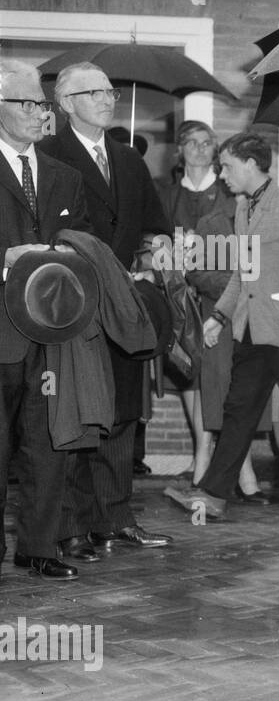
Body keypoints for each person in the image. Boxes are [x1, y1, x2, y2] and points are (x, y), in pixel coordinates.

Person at [40, 61, 172, 559]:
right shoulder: (49, 155)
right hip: (73, 307)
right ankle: (71, 526)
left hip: (124, 306)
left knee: (121, 415)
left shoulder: (129, 158)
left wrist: (159, 246)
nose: (107, 97)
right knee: (77, 413)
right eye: (92, 91)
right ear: (66, 103)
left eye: (110, 90)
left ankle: (114, 520)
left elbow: (156, 224)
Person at [164, 132, 279, 519]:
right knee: (238, 411)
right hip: (251, 332)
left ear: (251, 165)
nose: (222, 174)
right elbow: (243, 275)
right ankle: (213, 494)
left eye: (227, 166)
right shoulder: (243, 210)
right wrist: (219, 318)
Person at [0, 57, 93, 582]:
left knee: (47, 444)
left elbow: (81, 243)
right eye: (30, 104)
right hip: (0, 332)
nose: (41, 113)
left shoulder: (64, 176)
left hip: (53, 331)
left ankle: (38, 546)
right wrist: (6, 260)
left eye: (42, 103)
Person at [156, 119, 257, 493]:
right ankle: (206, 451)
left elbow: (243, 252)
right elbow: (155, 239)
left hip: (218, 295)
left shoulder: (228, 194)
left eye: (207, 142)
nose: (200, 148)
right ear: (179, 150)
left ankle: (228, 461)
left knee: (223, 377)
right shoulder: (166, 196)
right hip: (178, 298)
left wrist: (207, 265)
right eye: (192, 142)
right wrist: (170, 261)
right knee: (187, 371)